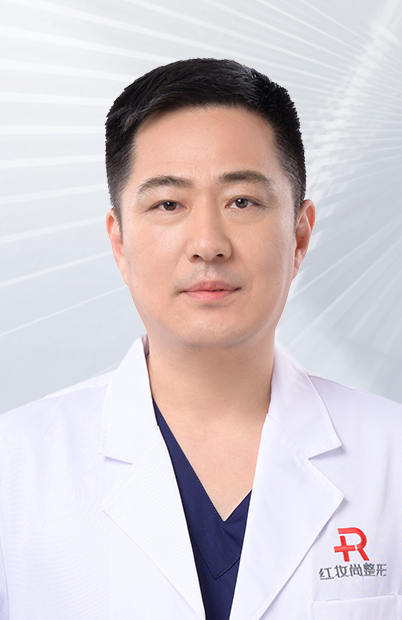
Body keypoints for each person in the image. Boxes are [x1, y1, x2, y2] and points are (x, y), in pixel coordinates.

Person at [0, 58, 401, 620]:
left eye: (242, 201)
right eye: (168, 204)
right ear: (119, 243)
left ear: (300, 235)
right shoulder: (15, 467)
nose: (208, 243)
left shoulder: (391, 457)